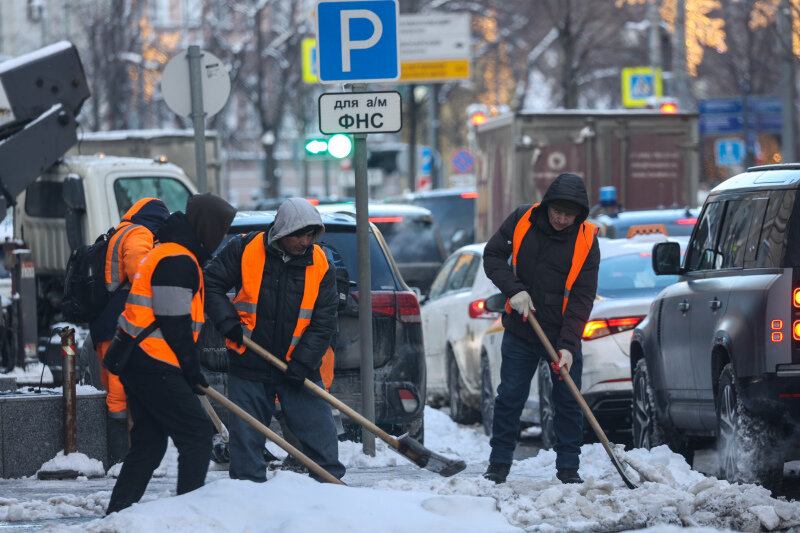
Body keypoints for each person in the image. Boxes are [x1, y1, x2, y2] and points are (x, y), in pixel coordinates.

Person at [106, 193, 236, 514]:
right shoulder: (177, 260)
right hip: (154, 361)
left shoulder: (173, 252)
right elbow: (173, 320)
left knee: (149, 445)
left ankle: (119, 513)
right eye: (221, 228)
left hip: (141, 359)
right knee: (196, 436)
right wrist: (192, 370)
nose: (221, 237)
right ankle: (185, 515)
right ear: (206, 226)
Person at [203, 197, 345, 483]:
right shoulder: (244, 249)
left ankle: (332, 493)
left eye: (310, 235)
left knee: (321, 438)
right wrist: (228, 322)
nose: (305, 241)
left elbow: (324, 321)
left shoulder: (321, 263)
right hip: (250, 361)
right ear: (281, 231)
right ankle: (249, 498)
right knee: (246, 444)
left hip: (297, 366)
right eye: (298, 234)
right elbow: (210, 284)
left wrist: (304, 361)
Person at [482, 173, 600, 485]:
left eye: (569, 214)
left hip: (561, 333)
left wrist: (568, 345)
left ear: (580, 214)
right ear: (547, 206)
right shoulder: (522, 219)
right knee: (510, 397)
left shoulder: (587, 239)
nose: (562, 219)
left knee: (568, 400)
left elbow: (582, 296)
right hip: (522, 330)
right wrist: (513, 290)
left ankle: (568, 468)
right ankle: (498, 464)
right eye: (556, 211)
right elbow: (492, 256)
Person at [90, 197, 170, 465]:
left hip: (107, 320)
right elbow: (139, 270)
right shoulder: (139, 233)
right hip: (120, 321)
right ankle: (120, 458)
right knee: (119, 393)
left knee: (115, 388)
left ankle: (121, 455)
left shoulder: (120, 230)